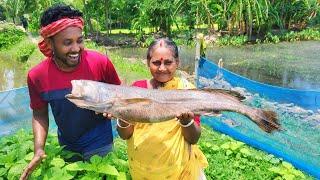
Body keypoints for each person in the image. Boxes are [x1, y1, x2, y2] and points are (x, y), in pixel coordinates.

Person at [20, 4, 121, 179]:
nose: (76, 49)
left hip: (100, 140)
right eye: (67, 43)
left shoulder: (100, 63)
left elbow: (119, 95)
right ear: (50, 43)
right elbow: (39, 113)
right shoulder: (37, 76)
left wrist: (113, 107)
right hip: (67, 143)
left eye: (79, 40)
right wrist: (39, 149)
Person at [116, 38, 208, 179]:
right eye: (156, 62)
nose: (162, 68)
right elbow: (125, 135)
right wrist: (122, 117)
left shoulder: (186, 91)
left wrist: (186, 122)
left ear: (177, 62)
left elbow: (194, 138)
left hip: (181, 171)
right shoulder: (137, 89)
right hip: (143, 171)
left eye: (168, 62)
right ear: (148, 62)